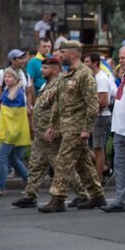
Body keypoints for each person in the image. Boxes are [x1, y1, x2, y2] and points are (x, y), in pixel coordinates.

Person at [38, 41, 107, 212]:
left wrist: (86, 129)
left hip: (77, 128)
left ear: (74, 54)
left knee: (63, 161)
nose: (60, 55)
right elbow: (58, 104)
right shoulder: (65, 75)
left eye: (63, 52)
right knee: (83, 164)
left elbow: (92, 105)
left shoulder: (85, 74)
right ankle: (97, 196)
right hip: (65, 126)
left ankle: (58, 199)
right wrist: (52, 126)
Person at [12, 58, 88, 208]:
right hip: (41, 134)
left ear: (54, 69)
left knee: (62, 167)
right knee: (35, 165)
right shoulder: (47, 84)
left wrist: (55, 129)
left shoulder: (61, 83)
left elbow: (63, 108)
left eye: (45, 68)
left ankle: (83, 194)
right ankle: (30, 195)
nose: (41, 71)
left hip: (51, 134)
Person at [0, 68, 31, 197]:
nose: (7, 79)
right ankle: (30, 183)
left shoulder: (17, 93)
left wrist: (0, 106)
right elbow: (9, 110)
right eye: (6, 77)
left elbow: (15, 113)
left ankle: (1, 187)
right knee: (13, 158)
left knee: (1, 157)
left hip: (12, 131)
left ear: (16, 79)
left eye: (10, 77)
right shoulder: (8, 90)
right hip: (9, 129)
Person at [84, 53, 115, 181]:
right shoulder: (93, 77)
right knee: (88, 147)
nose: (84, 64)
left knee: (98, 148)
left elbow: (103, 101)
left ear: (95, 63)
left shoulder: (101, 78)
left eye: (87, 61)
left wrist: (90, 111)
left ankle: (98, 179)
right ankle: (104, 169)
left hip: (101, 117)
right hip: (94, 116)